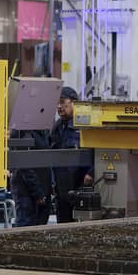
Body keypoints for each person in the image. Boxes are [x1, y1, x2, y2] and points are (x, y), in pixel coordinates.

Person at [50, 86, 93, 223]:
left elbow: (97, 152)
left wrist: (92, 173)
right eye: (57, 103)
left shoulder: (85, 125)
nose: (59, 106)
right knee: (63, 224)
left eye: (63, 102)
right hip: (61, 187)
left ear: (74, 102)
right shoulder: (57, 127)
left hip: (81, 185)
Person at [10, 129, 51, 227]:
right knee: (25, 229)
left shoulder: (43, 131)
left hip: (42, 188)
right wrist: (37, 193)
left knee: (40, 228)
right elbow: (25, 165)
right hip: (26, 191)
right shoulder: (21, 131)